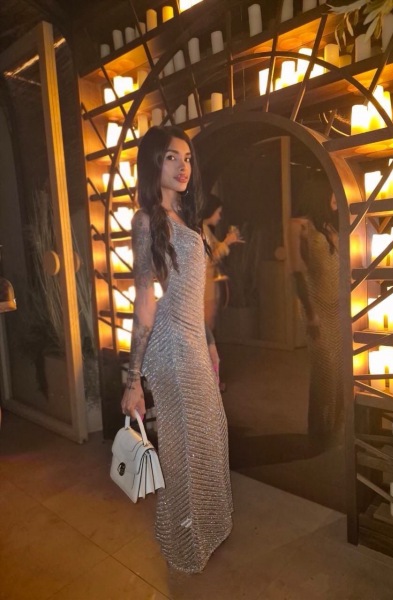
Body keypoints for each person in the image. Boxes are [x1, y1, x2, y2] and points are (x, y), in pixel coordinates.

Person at [121, 125, 233, 574]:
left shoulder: (186, 217)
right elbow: (145, 301)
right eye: (172, 157)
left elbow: (193, 293)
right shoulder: (146, 221)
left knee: (209, 434)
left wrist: (210, 342)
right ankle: (182, 541)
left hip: (193, 343)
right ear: (154, 162)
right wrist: (133, 378)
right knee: (184, 446)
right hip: (169, 347)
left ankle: (205, 528)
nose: (183, 166)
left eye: (187, 158)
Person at [289, 192, 343, 442]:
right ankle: (320, 432)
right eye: (331, 195)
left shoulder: (328, 225)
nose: (335, 200)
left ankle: (335, 428)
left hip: (338, 305)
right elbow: (297, 272)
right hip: (316, 306)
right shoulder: (298, 226)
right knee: (324, 369)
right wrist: (310, 314)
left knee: (339, 369)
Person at [201, 194, 243, 331]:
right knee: (207, 324)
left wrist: (227, 242)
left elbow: (214, 248)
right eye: (218, 213)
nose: (219, 217)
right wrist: (226, 243)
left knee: (210, 322)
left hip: (210, 285)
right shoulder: (201, 230)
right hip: (206, 287)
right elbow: (209, 258)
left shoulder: (205, 228)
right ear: (210, 211)